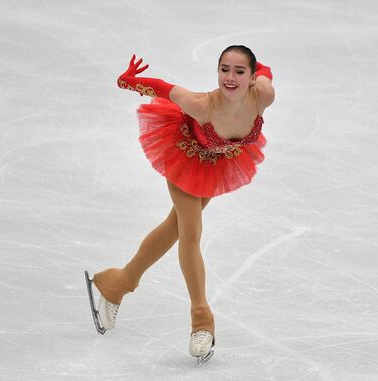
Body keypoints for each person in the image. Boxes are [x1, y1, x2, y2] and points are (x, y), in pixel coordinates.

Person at [84, 45, 275, 364]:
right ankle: (202, 320)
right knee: (190, 234)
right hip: (184, 153)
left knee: (174, 227)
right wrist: (127, 81)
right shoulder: (201, 105)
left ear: (252, 77)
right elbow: (162, 89)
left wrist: (256, 69)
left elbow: (266, 71)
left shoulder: (263, 95)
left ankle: (116, 283)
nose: (229, 77)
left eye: (239, 71)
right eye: (224, 69)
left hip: (216, 161)